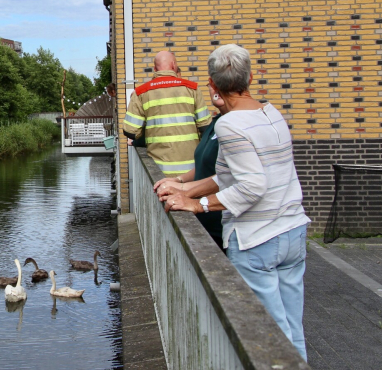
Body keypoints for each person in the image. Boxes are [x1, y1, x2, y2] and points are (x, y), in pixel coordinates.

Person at [157, 44, 311, 360]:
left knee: (268, 336)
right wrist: (185, 189)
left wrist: (198, 206)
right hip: (293, 232)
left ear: (212, 85)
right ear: (250, 77)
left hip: (258, 239)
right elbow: (228, 175)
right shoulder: (272, 113)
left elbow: (252, 186)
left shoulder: (229, 125)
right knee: (292, 331)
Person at [152, 83, 227, 249]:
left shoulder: (233, 129)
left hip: (221, 223)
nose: (216, 89)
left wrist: (194, 200)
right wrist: (179, 181)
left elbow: (231, 180)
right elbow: (205, 166)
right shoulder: (215, 125)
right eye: (213, 84)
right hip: (206, 221)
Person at [122, 51, 212, 175]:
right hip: (190, 172)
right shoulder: (192, 89)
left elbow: (130, 131)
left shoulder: (141, 92)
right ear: (174, 65)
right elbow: (206, 127)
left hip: (158, 172)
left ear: (154, 69)